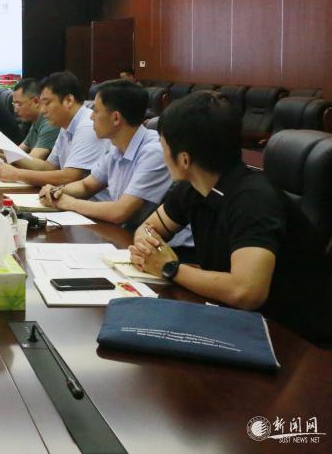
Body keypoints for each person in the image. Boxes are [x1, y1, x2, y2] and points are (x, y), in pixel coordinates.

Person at [129, 92, 329, 343]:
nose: (162, 153)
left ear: (184, 159)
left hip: (290, 338)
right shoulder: (192, 188)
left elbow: (246, 292)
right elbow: (150, 227)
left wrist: (169, 268)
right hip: (233, 317)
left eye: (163, 146)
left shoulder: (253, 200)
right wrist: (147, 247)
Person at [39, 79, 172, 231]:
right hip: (126, 232)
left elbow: (119, 212)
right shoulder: (117, 147)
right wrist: (57, 191)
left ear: (116, 118)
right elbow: (86, 186)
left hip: (160, 242)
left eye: (96, 111)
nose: (91, 117)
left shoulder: (153, 152)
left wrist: (69, 203)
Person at [0, 71, 109, 187]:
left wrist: (17, 174)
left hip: (89, 199)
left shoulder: (87, 126)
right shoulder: (66, 125)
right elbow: (49, 167)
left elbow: (70, 176)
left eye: (47, 103)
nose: (43, 110)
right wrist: (6, 152)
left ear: (69, 100)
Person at [0, 78, 59, 161]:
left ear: (35, 101)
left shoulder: (50, 123)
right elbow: (18, 151)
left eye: (19, 104)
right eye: (14, 104)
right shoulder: (36, 121)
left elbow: (32, 161)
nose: (15, 110)